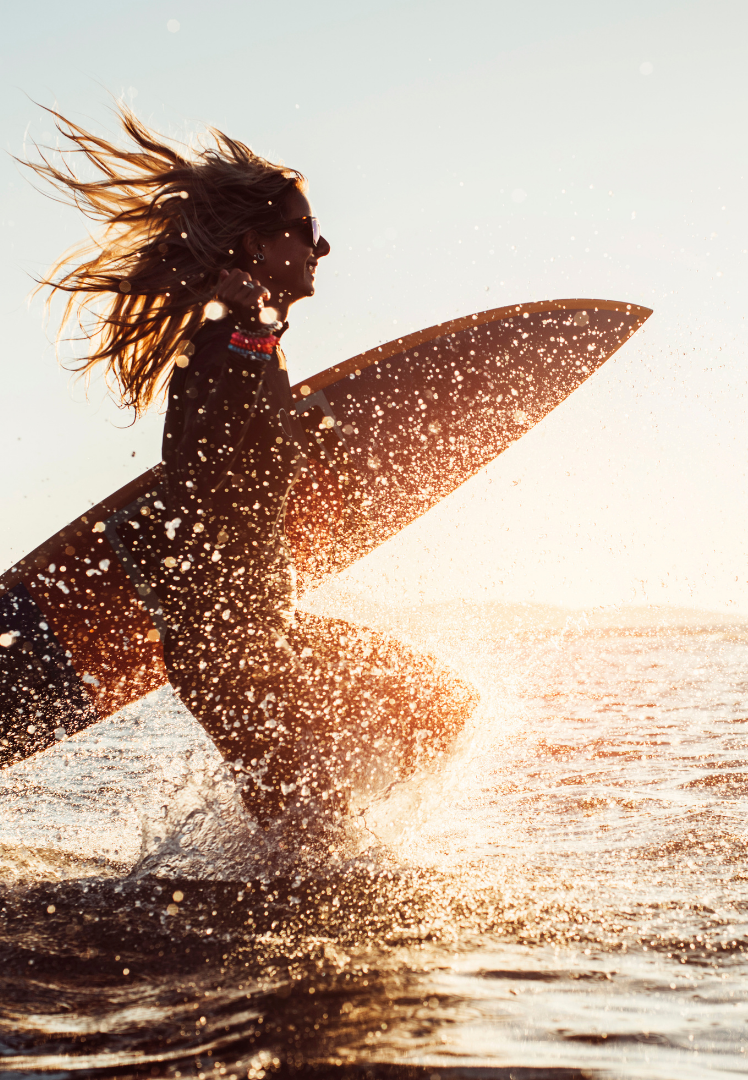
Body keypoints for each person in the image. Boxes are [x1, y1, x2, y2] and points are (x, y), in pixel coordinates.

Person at [28, 107, 476, 832]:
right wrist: (246, 336)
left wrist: (260, 344)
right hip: (229, 644)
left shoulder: (251, 346)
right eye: (304, 229)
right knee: (309, 832)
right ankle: (275, 877)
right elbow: (202, 470)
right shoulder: (228, 348)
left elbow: (236, 460)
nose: (321, 245)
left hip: (265, 627)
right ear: (254, 244)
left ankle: (295, 863)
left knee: (439, 708)